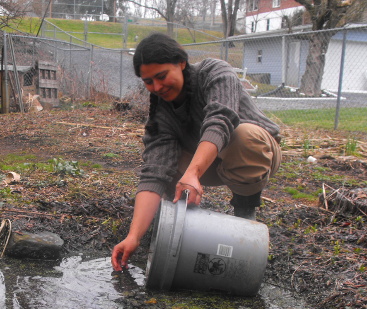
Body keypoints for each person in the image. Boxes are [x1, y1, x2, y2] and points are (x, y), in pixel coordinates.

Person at [111, 32, 282, 272]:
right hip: (207, 164)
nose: (157, 87)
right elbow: (154, 173)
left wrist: (193, 172)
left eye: (161, 76)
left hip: (256, 154)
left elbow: (220, 121)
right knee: (162, 162)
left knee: (243, 136)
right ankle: (179, 222)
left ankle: (245, 212)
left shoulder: (214, 72)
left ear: (181, 63)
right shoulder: (161, 112)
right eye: (148, 81)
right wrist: (133, 236)